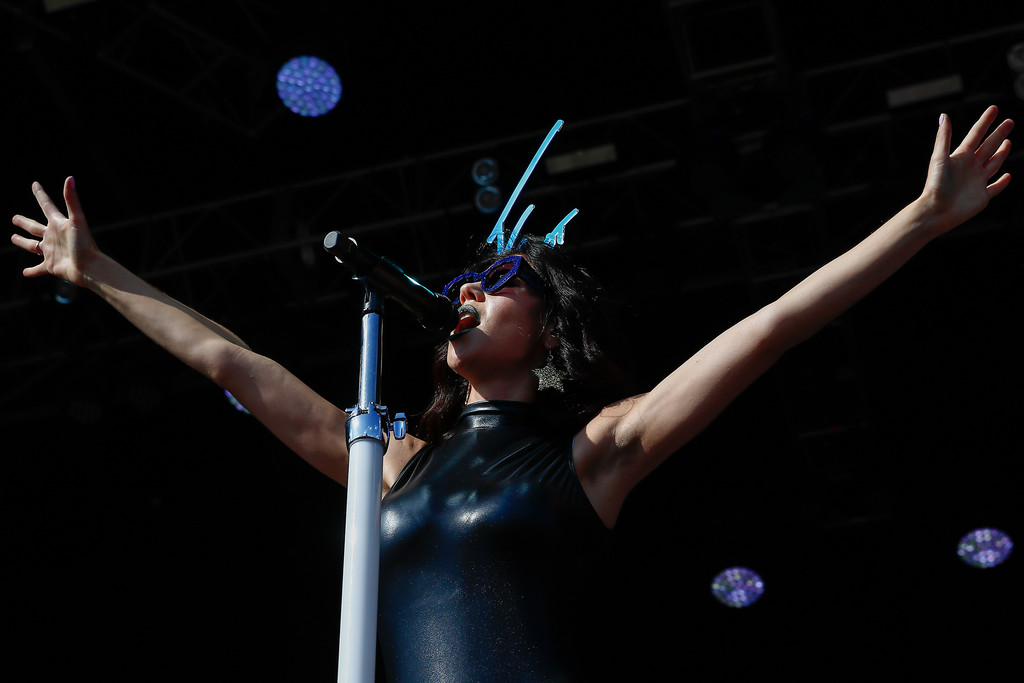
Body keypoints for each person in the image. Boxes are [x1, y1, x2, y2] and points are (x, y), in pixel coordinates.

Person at [11, 106, 1013, 681]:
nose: (469, 293)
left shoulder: (596, 449)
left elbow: (771, 328)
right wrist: (99, 271)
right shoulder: (388, 457)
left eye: (498, 286)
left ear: (548, 327)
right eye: (459, 289)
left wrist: (920, 221)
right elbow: (236, 365)